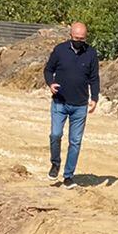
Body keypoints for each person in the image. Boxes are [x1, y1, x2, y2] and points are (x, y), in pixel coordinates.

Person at [42, 22, 101, 184]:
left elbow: (94, 78)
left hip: (80, 105)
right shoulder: (60, 50)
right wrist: (50, 83)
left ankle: (68, 175)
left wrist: (94, 98)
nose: (79, 41)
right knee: (55, 134)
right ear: (70, 36)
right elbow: (48, 70)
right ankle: (55, 164)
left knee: (75, 142)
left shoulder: (91, 53)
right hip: (60, 103)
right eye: (76, 38)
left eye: (82, 39)